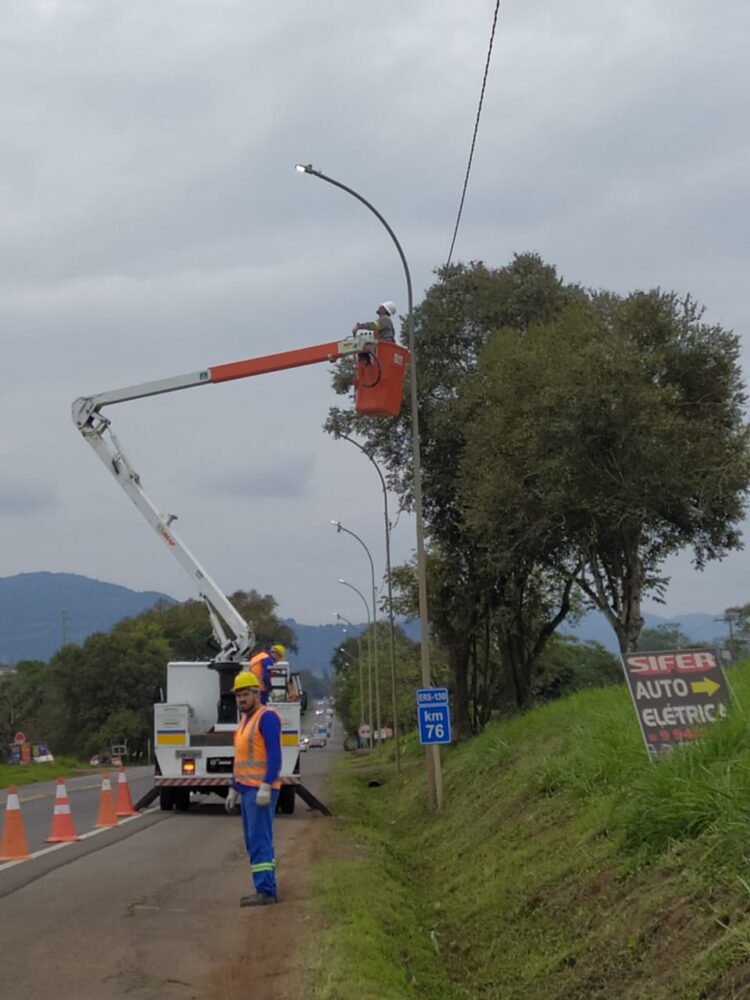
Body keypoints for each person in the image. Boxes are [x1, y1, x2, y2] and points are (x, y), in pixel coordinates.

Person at [226, 670, 283, 907]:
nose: (241, 699)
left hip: (260, 790)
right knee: (253, 840)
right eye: (238, 695)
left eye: (246, 694)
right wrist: (234, 787)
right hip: (247, 789)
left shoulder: (266, 717)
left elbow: (275, 755)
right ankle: (265, 886)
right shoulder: (244, 721)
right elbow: (241, 758)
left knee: (259, 840)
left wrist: (267, 785)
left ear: (257, 694)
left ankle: (266, 891)